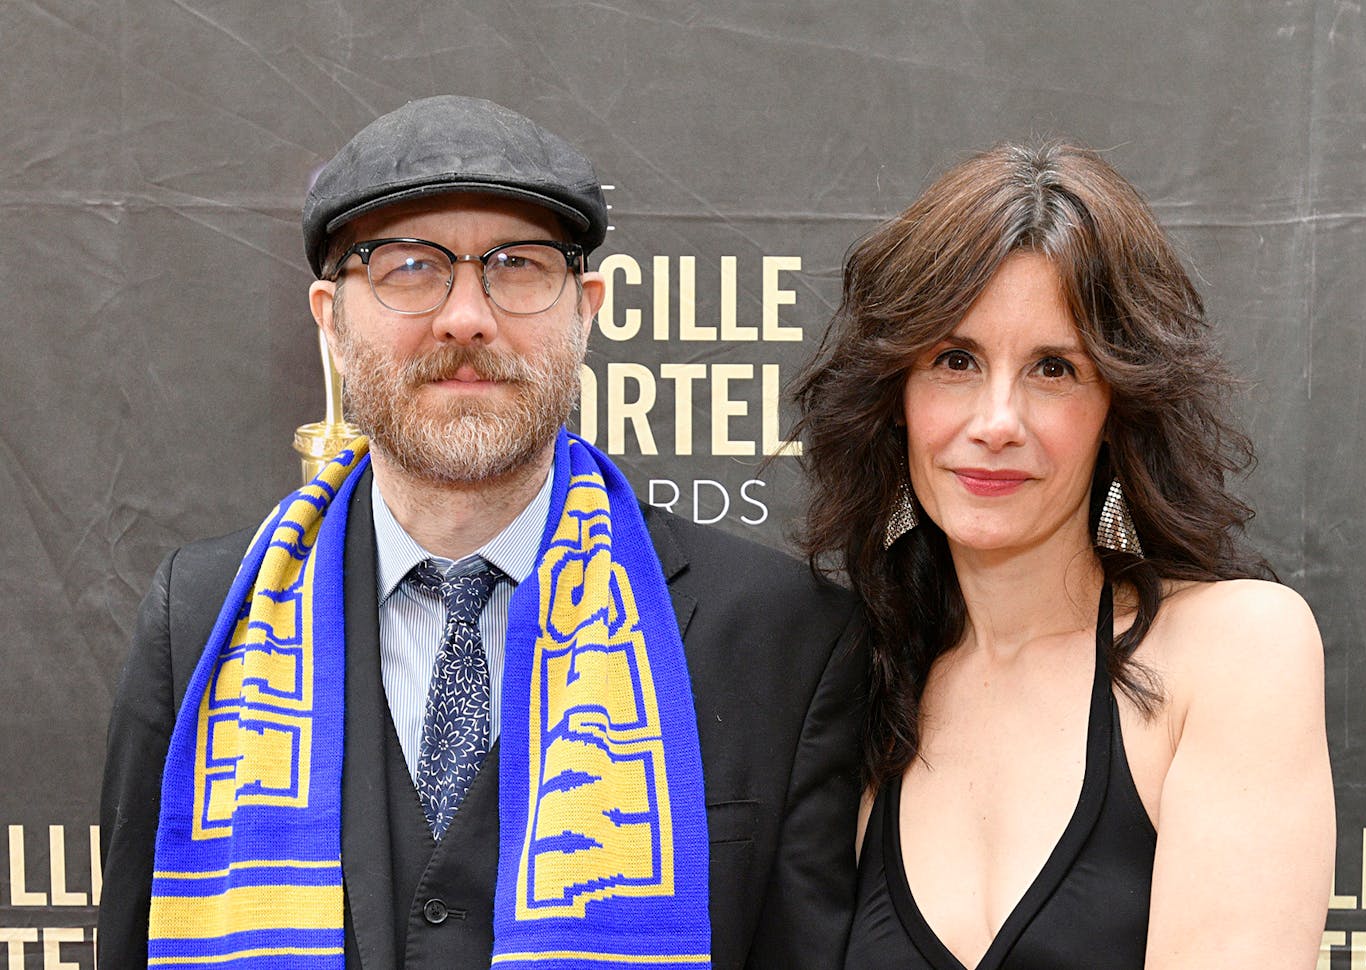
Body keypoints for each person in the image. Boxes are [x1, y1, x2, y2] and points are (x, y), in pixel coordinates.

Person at [99, 95, 864, 970]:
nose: (467, 315)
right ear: (332, 322)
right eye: (410, 266)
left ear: (587, 310)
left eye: (518, 265)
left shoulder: (781, 638)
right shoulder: (200, 621)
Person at [792, 141, 1334, 969]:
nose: (996, 420)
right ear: (894, 399)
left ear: (1117, 409)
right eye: (954, 360)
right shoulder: (864, 684)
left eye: (1054, 368)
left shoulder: (1234, 651)